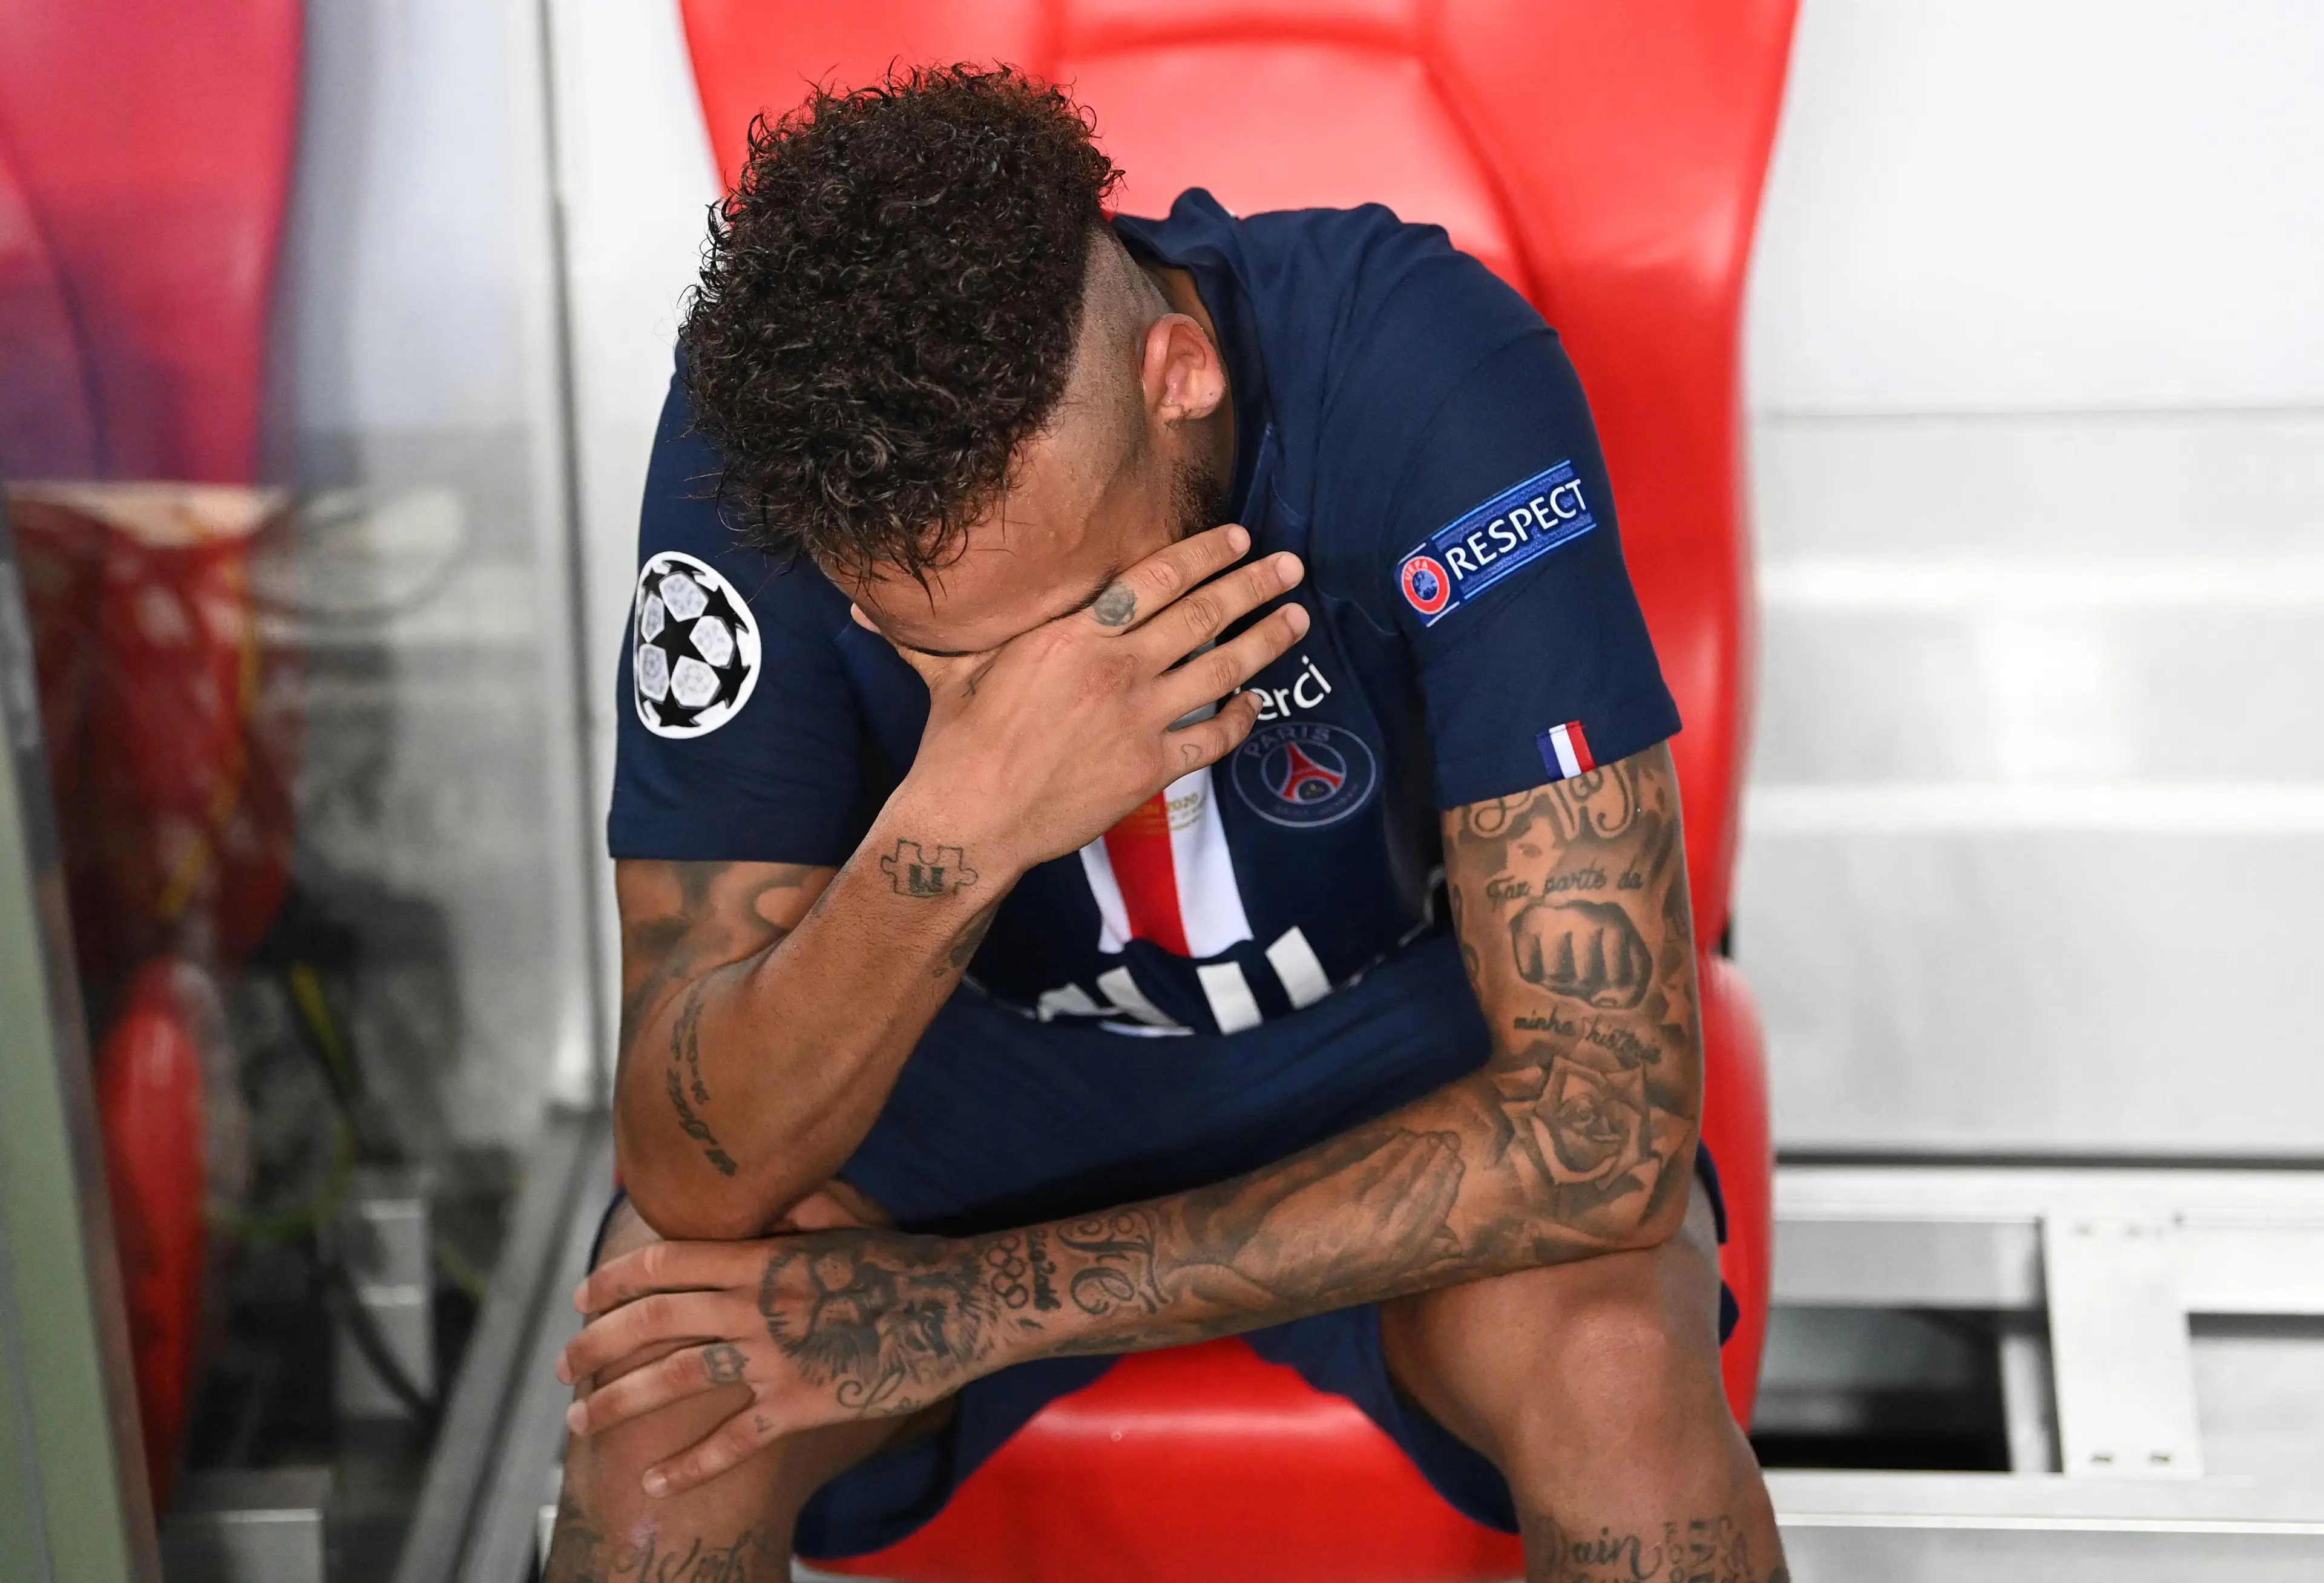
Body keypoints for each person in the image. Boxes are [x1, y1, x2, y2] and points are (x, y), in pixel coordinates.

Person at [545, 65, 1785, 1583]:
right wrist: (967, 813)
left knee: (1618, 1385)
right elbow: (691, 1168)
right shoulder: (777, 445)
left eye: (1087, 623)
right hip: (966, 1079)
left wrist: (969, 1308)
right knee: (656, 1424)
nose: (1039, 694)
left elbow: (1602, 1136)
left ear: (1179, 375)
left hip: (1392, 1064)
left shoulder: (1429, 367)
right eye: (943, 654)